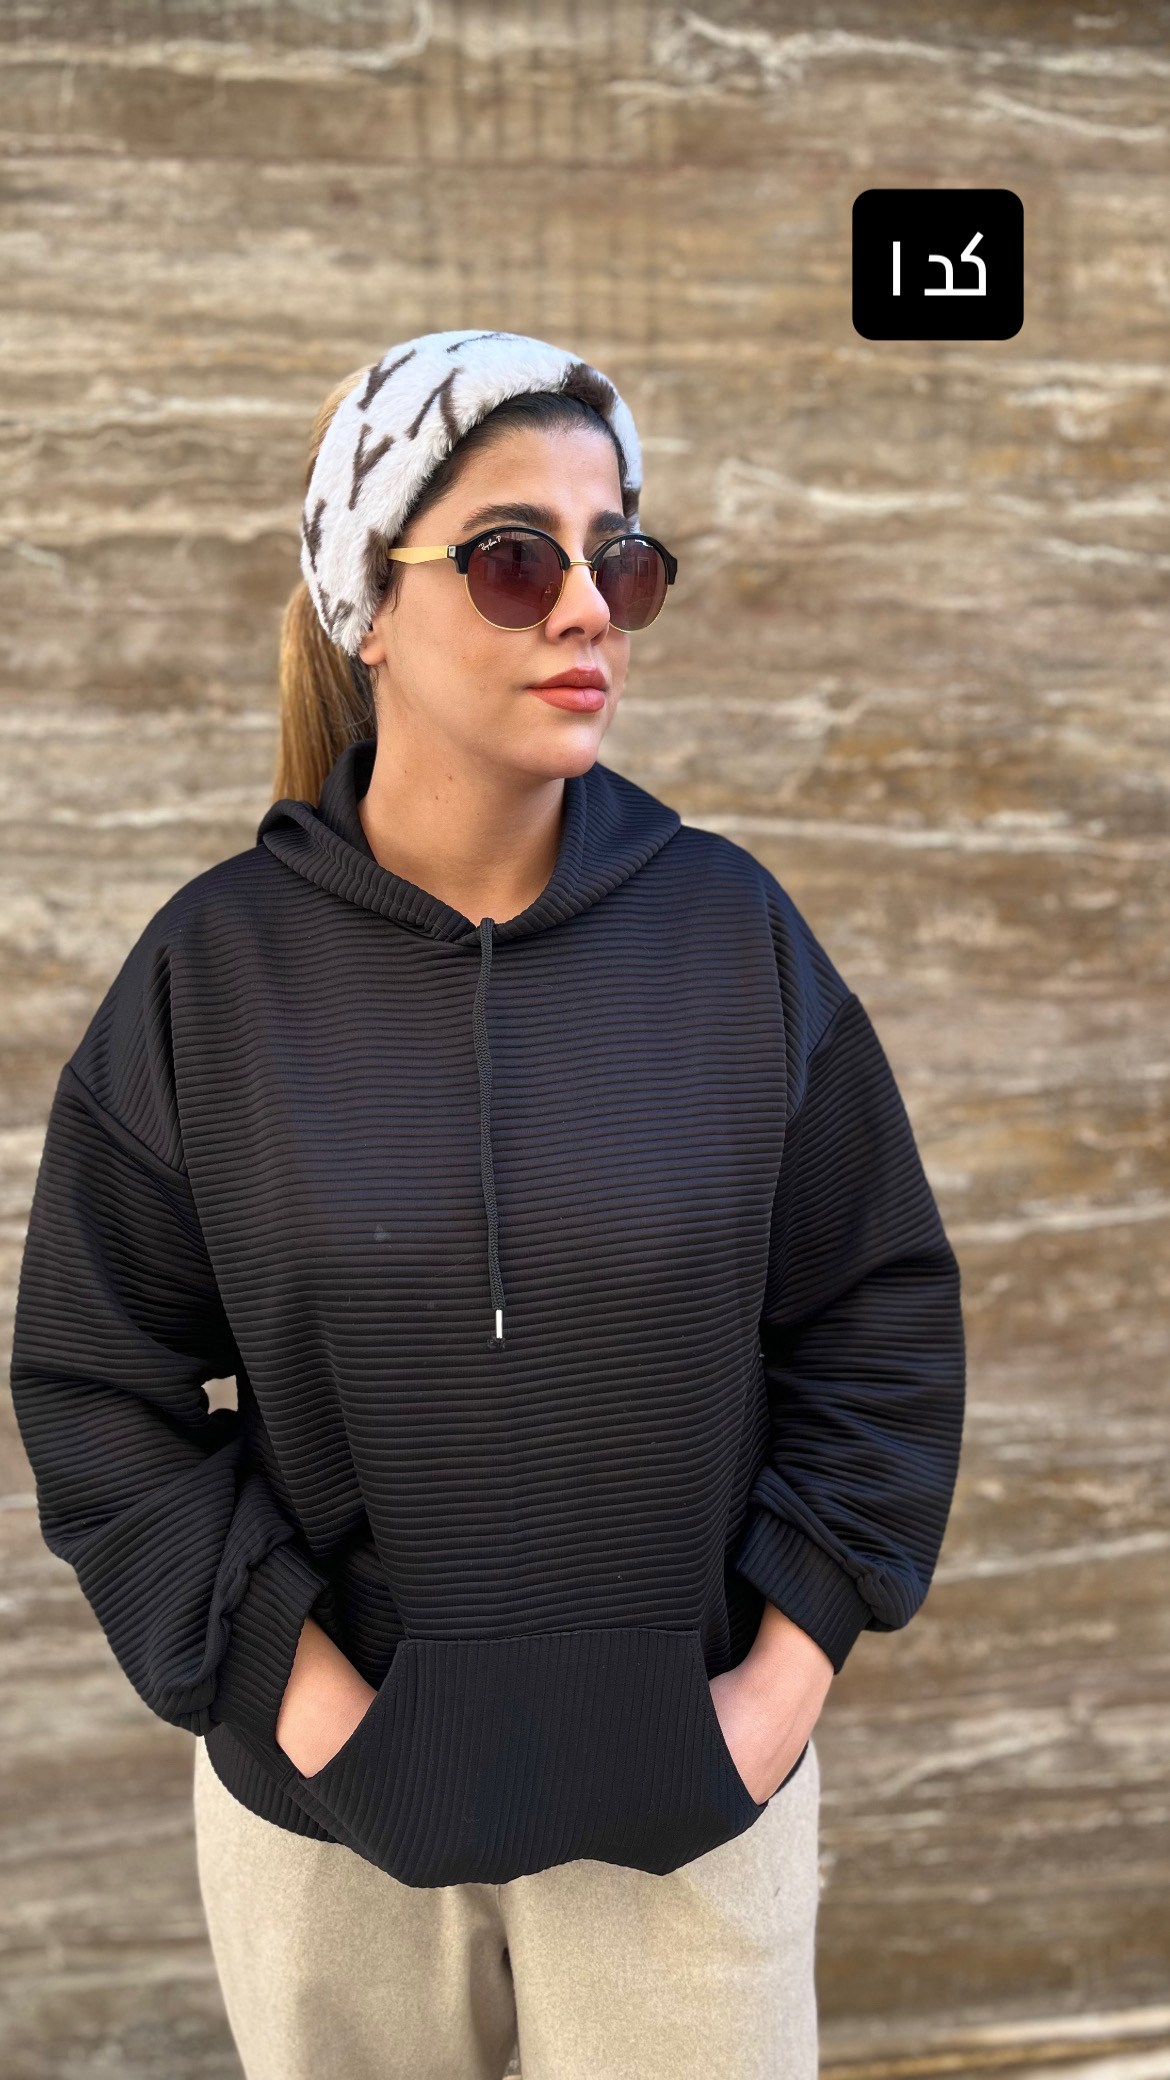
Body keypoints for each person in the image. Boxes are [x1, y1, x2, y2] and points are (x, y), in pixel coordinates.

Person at [10, 330, 966, 2080]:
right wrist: (320, 1712)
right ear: (366, 604)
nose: (588, 609)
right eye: (517, 559)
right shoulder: (212, 979)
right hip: (329, 1839)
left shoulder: (729, 938)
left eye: (622, 559)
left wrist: (771, 1698)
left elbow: (876, 1320)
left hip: (691, 1821)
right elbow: (98, 1388)